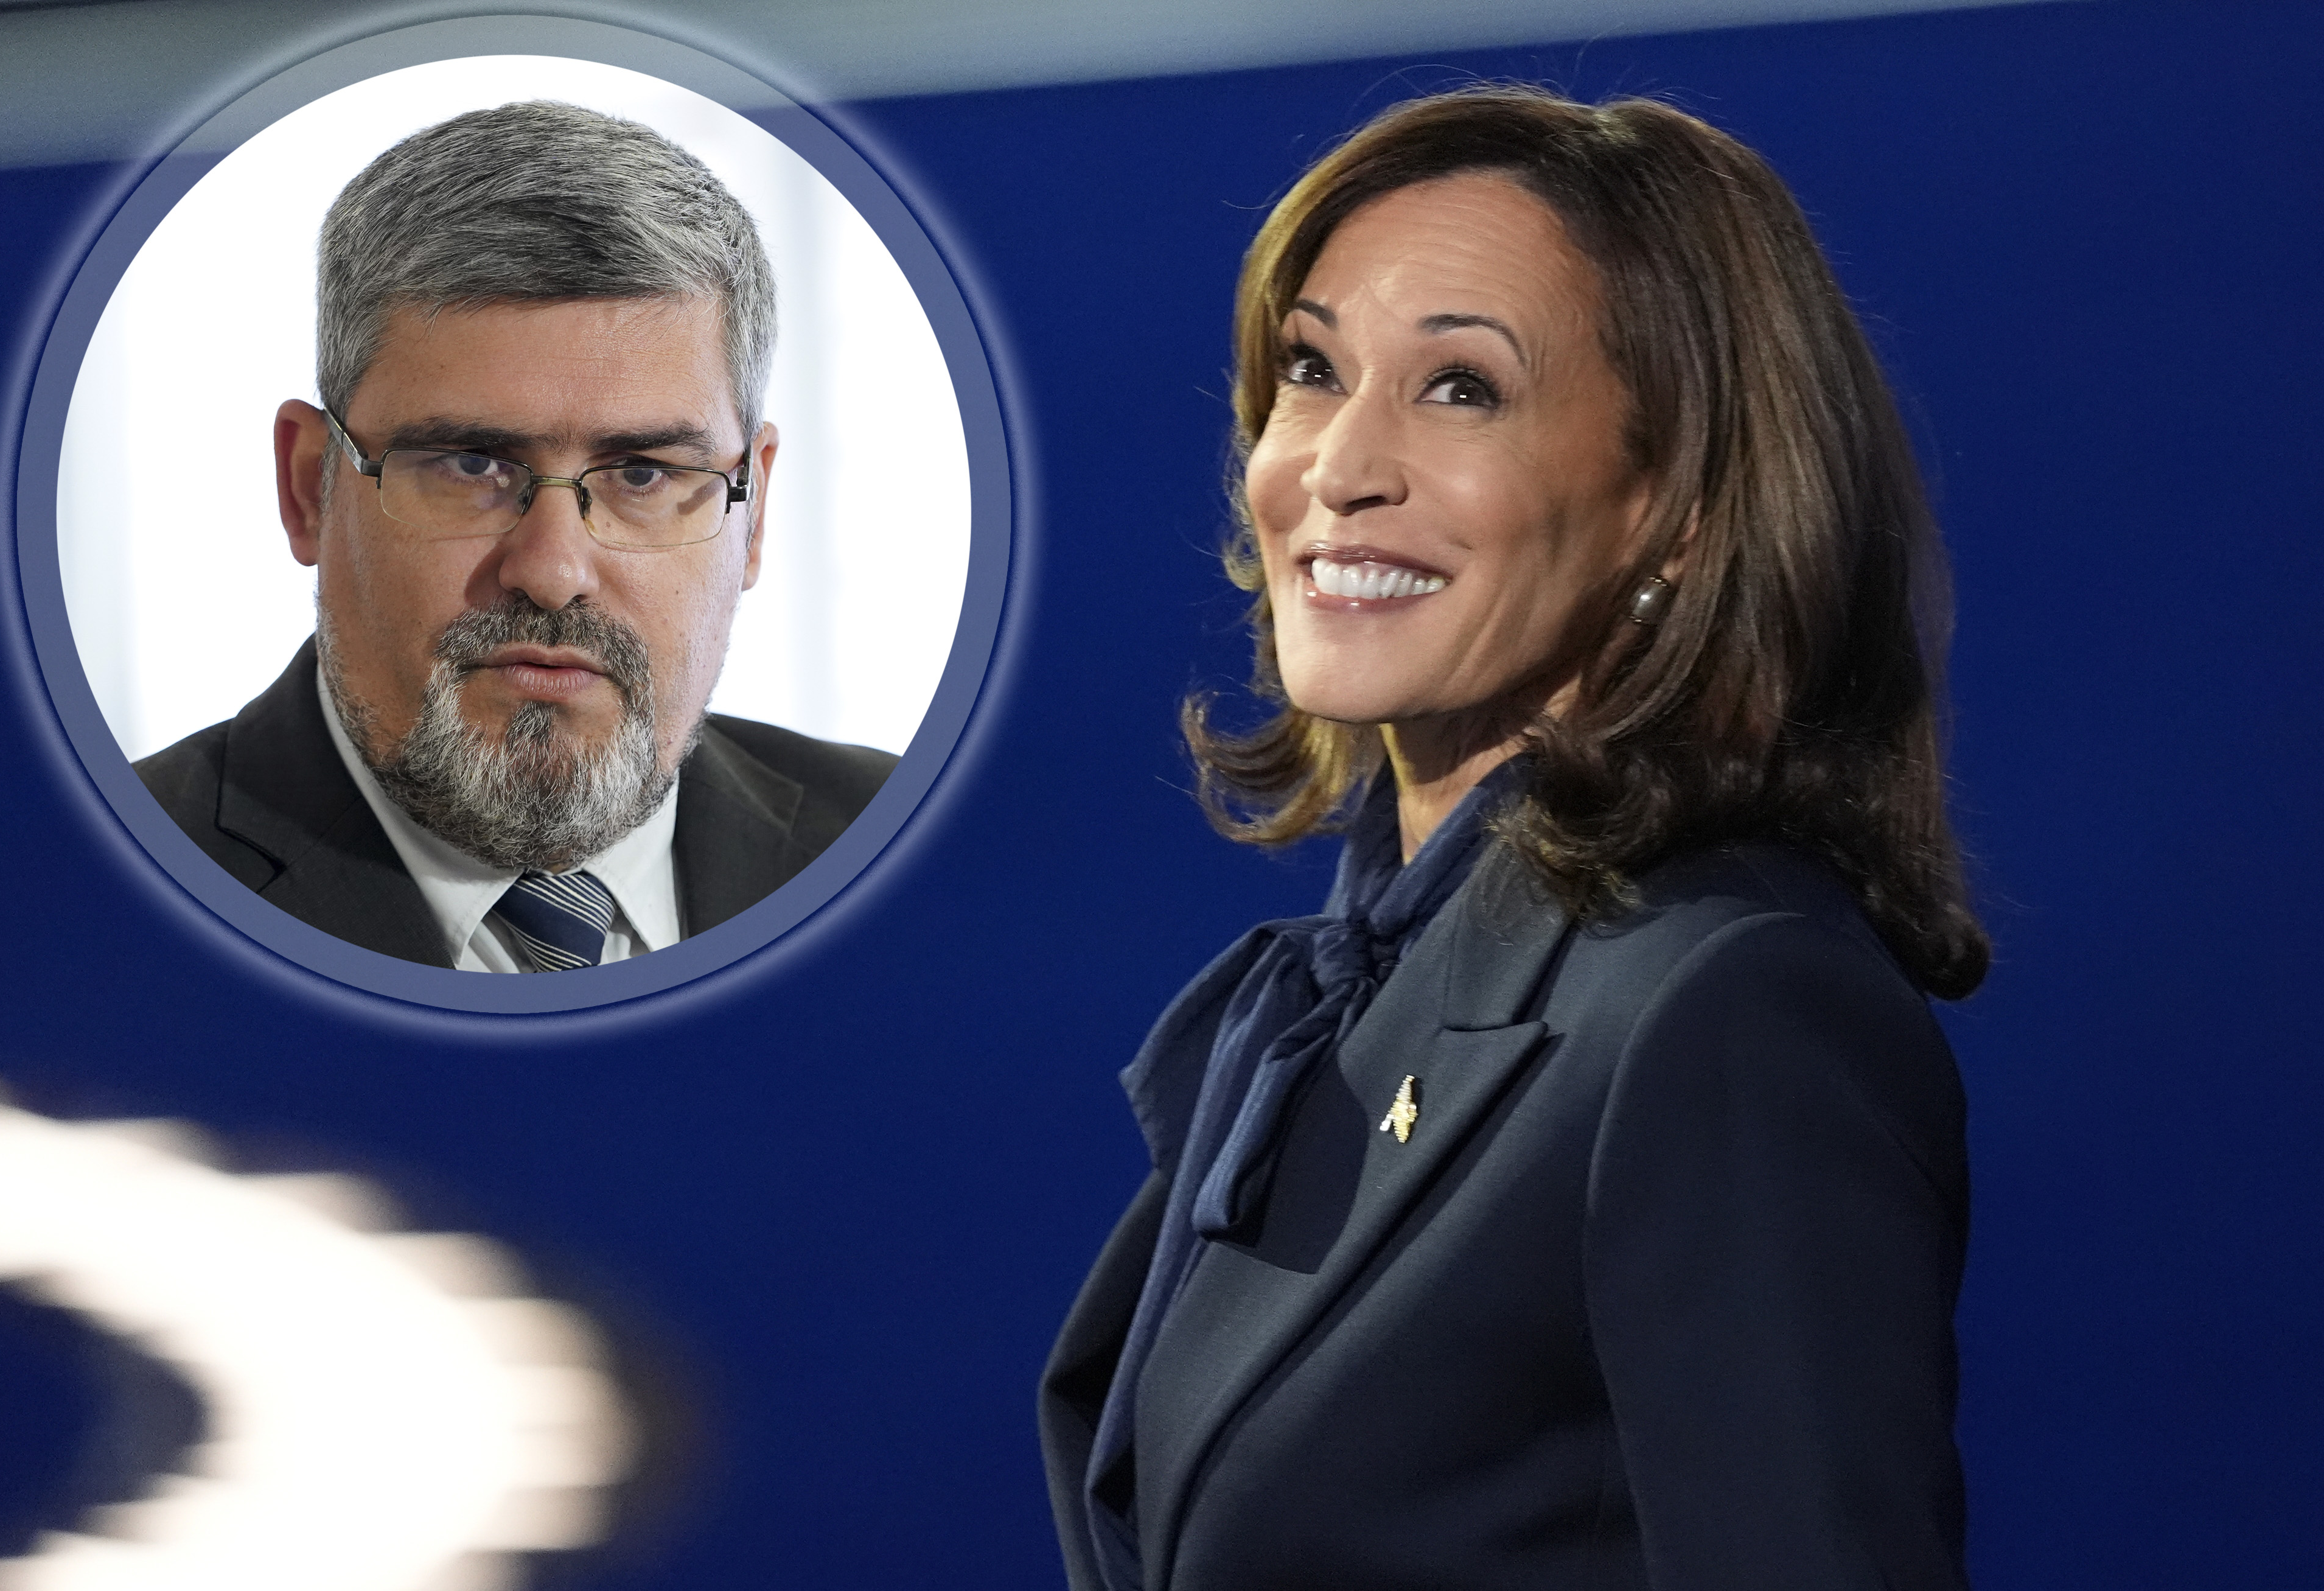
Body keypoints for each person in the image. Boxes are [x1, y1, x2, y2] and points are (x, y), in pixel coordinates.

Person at [1041, 86, 1987, 1590]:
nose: (1336, 465)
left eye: (1460, 387)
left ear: (1669, 505)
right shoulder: (1351, 998)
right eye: (1310, 368)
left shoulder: (1723, 1005)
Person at [136, 101, 895, 973]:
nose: (552, 570)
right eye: (469, 465)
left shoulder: (931, 858)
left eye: (642, 473)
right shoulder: (69, 894)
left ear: (752, 510)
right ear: (312, 486)